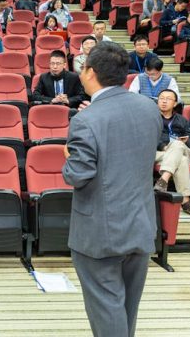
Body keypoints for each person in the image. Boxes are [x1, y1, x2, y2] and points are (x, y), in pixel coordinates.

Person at [62, 41, 162, 337]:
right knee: (126, 310)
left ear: (90, 72)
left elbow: (78, 175)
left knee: (107, 310)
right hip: (141, 223)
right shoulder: (149, 107)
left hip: (100, 233)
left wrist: (68, 159)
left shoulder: (86, 119)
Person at [153, 89, 190, 217]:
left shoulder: (182, 120)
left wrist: (186, 141)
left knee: (178, 145)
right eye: (161, 98)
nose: (164, 101)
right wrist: (163, 146)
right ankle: (186, 202)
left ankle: (163, 180)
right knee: (181, 160)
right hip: (159, 152)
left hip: (182, 150)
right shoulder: (151, 118)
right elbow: (146, 136)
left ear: (175, 103)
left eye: (168, 99)